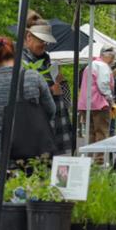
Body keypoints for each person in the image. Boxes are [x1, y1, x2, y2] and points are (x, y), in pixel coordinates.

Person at [0, 36, 55, 181]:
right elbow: (50, 110)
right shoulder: (33, 77)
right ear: (15, 53)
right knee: (33, 199)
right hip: (32, 151)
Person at [23, 13, 75, 154]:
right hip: (39, 127)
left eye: (46, 42)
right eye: (42, 41)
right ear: (29, 37)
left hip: (55, 125)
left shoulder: (46, 60)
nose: (45, 45)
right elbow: (26, 95)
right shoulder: (23, 63)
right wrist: (51, 91)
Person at [77, 46, 116, 149]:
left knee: (90, 134)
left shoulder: (89, 65)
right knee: (102, 133)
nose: (113, 61)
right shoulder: (102, 66)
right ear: (107, 56)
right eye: (113, 57)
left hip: (86, 104)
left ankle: (89, 159)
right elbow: (103, 85)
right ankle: (99, 160)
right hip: (99, 104)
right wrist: (111, 100)